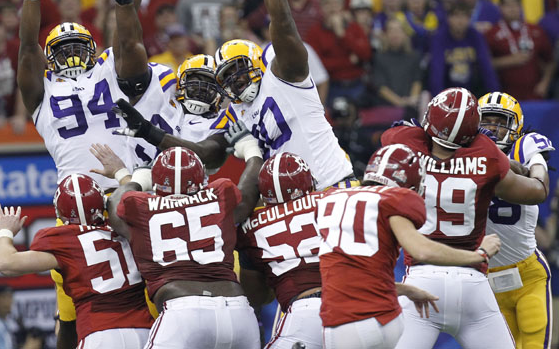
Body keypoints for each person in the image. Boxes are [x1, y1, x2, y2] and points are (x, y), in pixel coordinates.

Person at [15, 0, 170, 348]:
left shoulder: (111, 69)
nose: (70, 57)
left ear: (92, 49)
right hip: (78, 201)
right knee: (78, 294)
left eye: (78, 47)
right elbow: (27, 48)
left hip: (124, 186)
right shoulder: (40, 93)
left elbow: (129, 38)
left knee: (152, 275)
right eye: (61, 51)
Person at [114, 0, 356, 190]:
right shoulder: (235, 112)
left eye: (238, 71)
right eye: (227, 78)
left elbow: (283, 24)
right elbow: (205, 152)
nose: (236, 82)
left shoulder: (284, 76)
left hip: (332, 185)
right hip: (290, 198)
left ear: (256, 65)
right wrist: (150, 133)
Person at [381, 87, 550, 348]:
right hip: (473, 281)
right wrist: (534, 165)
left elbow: (392, 135)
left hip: (422, 279)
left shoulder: (405, 141)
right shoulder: (487, 154)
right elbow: (537, 192)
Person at [317, 143, 503, 349]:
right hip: (380, 319)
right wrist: (479, 255)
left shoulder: (330, 200)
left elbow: (348, 277)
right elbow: (421, 249)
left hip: (339, 321)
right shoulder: (394, 199)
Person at [97, 145, 263, 349]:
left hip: (183, 314)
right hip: (238, 313)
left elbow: (115, 203)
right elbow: (249, 192)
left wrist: (132, 177)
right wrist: (252, 150)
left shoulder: (142, 208)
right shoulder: (219, 194)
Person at [0, 175, 154, 348]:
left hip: (99, 333)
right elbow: (133, 192)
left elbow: (5, 263)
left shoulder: (65, 241)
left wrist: (5, 231)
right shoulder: (127, 224)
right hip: (144, 331)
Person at [479, 92, 555, 349]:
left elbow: (537, 169)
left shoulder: (526, 144)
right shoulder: (466, 154)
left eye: (499, 120)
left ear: (515, 124)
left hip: (527, 273)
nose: (491, 127)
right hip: (484, 275)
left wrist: (511, 165)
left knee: (533, 343)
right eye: (485, 120)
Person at [237, 153, 324, 349]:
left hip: (304, 311)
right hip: (355, 302)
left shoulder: (249, 227)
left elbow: (256, 296)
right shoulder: (333, 200)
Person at [485, 0, 555, 101]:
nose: (512, 9)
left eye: (516, 4)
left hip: (534, 95)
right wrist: (509, 60)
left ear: (521, 6)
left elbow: (550, 61)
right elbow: (484, 64)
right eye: (508, 5)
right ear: (500, 7)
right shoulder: (492, 34)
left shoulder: (535, 30)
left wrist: (545, 83)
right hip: (505, 97)